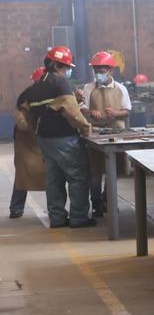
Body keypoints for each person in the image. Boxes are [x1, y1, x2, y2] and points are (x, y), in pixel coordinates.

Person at [24, 46, 95, 229]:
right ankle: (79, 217)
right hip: (65, 139)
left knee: (54, 179)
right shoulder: (60, 82)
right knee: (78, 177)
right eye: (65, 67)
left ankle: (57, 218)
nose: (67, 71)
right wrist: (86, 128)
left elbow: (36, 113)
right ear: (56, 65)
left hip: (45, 140)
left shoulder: (37, 85)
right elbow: (71, 112)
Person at [81, 51, 132, 217]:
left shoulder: (121, 89)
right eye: (96, 70)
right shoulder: (88, 88)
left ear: (110, 70)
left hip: (116, 133)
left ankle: (108, 201)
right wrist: (91, 112)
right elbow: (82, 109)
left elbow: (127, 111)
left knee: (112, 172)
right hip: (95, 133)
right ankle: (95, 203)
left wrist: (116, 113)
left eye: (102, 70)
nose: (99, 73)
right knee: (95, 173)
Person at [9, 67, 47, 219]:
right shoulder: (28, 96)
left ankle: (54, 208)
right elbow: (21, 118)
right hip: (26, 141)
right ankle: (16, 208)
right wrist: (23, 122)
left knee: (50, 174)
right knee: (23, 173)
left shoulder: (49, 94)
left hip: (41, 139)